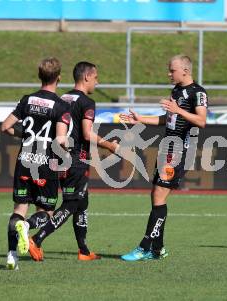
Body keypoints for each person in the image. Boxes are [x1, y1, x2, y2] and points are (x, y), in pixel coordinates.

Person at [28, 61, 119, 262]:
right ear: (86, 77)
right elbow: (87, 134)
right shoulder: (87, 102)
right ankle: (37, 238)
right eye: (96, 77)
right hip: (76, 159)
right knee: (71, 204)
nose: (97, 81)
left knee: (82, 203)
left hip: (58, 157)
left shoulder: (62, 98)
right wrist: (109, 145)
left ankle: (84, 250)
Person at [119, 54, 208, 261]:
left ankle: (144, 247)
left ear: (185, 70)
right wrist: (141, 119)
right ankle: (157, 250)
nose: (169, 74)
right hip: (168, 148)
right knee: (156, 197)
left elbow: (202, 121)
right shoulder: (176, 90)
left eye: (172, 70)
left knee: (158, 196)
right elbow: (168, 119)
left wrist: (177, 109)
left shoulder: (198, 93)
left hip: (179, 151)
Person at [1, 57, 71, 269]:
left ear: (40, 76)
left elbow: (5, 127)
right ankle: (28, 226)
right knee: (47, 212)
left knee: (19, 208)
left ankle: (11, 256)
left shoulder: (27, 100)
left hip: (24, 161)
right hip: (44, 165)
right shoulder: (61, 106)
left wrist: (26, 137)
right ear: (59, 78)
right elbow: (59, 140)